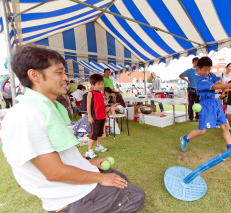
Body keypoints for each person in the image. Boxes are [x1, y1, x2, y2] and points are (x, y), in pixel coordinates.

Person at [1, 46, 144, 213]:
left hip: (72, 187)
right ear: (35, 75)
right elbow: (54, 172)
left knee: (121, 179)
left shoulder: (44, 108)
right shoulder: (27, 115)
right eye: (59, 72)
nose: (66, 78)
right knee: (136, 195)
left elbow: (61, 157)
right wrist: (100, 177)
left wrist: (90, 163)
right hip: (71, 197)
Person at [180, 56, 231, 162]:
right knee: (202, 130)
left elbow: (217, 83)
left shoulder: (210, 74)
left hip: (215, 103)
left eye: (209, 69)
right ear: (198, 68)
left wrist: (225, 87)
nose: (207, 72)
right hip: (205, 105)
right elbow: (213, 87)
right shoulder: (198, 79)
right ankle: (185, 138)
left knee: (224, 126)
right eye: (205, 70)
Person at [86, 74, 108, 159]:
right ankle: (89, 150)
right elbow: (88, 106)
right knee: (94, 134)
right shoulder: (90, 93)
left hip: (102, 116)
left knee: (100, 133)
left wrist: (105, 116)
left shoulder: (101, 93)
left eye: (102, 84)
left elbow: (102, 106)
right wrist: (89, 117)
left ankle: (98, 146)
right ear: (93, 85)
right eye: (99, 84)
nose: (101, 86)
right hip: (95, 117)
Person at [179, 57, 200, 121]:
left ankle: (197, 117)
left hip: (198, 89)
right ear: (193, 62)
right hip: (191, 89)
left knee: (198, 104)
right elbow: (180, 75)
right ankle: (190, 118)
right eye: (195, 62)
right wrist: (187, 81)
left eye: (198, 62)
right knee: (191, 104)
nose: (196, 63)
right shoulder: (189, 70)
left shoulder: (199, 70)